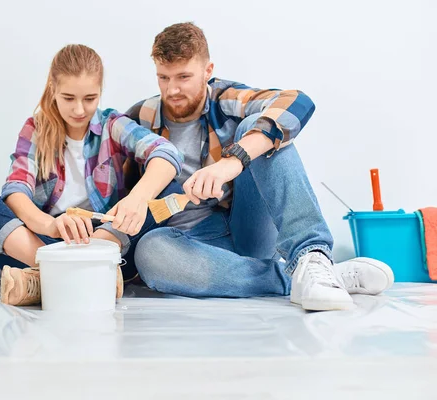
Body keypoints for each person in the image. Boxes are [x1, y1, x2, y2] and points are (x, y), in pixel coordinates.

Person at [125, 22, 394, 311]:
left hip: (246, 227)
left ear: (207, 71)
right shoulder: (141, 117)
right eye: (163, 78)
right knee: (150, 252)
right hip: (192, 248)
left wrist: (232, 161)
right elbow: (122, 189)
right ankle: (302, 278)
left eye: (184, 77)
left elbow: (297, 102)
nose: (172, 89)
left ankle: (311, 254)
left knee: (261, 127)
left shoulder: (224, 99)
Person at [0, 44, 183, 306]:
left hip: (103, 242)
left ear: (100, 93)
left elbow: (166, 152)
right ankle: (62, 272)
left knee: (170, 190)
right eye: (68, 98)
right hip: (43, 243)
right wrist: (51, 226)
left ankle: (46, 279)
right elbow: (16, 191)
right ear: (53, 90)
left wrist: (136, 199)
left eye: (89, 99)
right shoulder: (36, 127)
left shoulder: (111, 124)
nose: (79, 110)